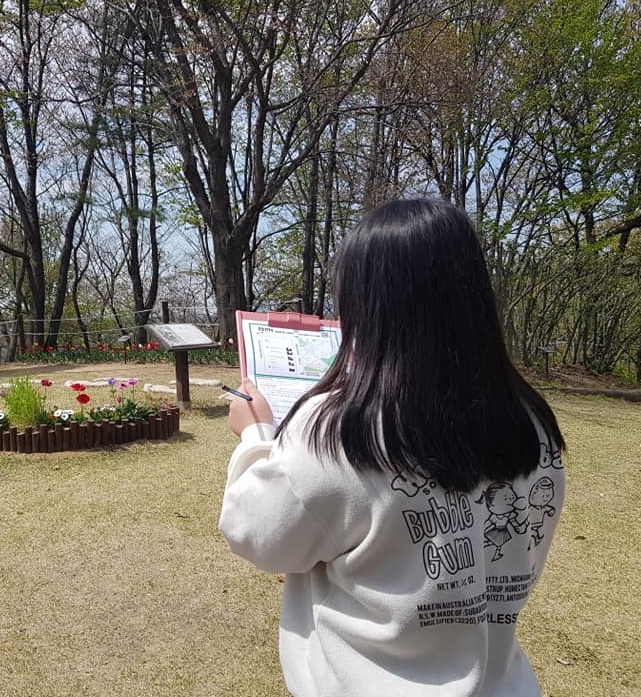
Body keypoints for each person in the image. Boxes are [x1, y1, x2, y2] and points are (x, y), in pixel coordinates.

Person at [219, 198, 566, 696]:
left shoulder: (336, 429)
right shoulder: (532, 422)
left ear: (366, 305)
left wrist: (256, 435)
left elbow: (259, 534)